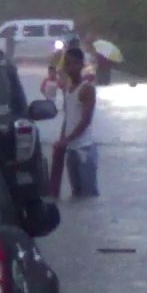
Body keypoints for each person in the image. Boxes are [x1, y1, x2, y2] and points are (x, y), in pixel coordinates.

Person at [53, 48, 99, 198]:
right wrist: (62, 139)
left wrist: (67, 139)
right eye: (66, 64)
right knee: (76, 195)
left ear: (80, 65)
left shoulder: (87, 89)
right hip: (72, 149)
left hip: (84, 149)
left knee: (88, 195)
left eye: (71, 64)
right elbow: (68, 117)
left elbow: (86, 120)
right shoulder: (67, 88)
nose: (67, 67)